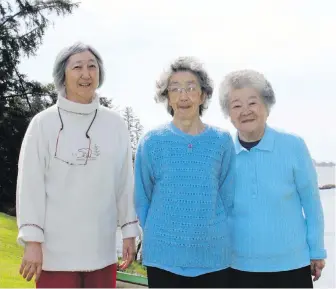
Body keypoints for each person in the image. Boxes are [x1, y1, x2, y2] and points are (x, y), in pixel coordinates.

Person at [16, 42, 141, 288]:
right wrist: (32, 242)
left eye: (92, 67)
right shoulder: (42, 123)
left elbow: (125, 181)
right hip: (54, 253)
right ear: (63, 74)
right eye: (77, 67)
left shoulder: (115, 124)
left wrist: (129, 232)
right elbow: (30, 185)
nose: (86, 74)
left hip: (101, 250)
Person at [218, 69, 327, 288]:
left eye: (253, 102)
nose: (245, 111)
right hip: (238, 267)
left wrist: (316, 251)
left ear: (267, 106)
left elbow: (312, 204)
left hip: (292, 266)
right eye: (236, 105)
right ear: (229, 114)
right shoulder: (223, 152)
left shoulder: (293, 145)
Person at [134, 57, 235, 288]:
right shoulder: (151, 142)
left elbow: (228, 196)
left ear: (203, 95)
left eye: (191, 88)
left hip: (213, 257)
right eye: (175, 89)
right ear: (167, 97)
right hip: (163, 258)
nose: (183, 96)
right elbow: (142, 197)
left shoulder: (221, 141)